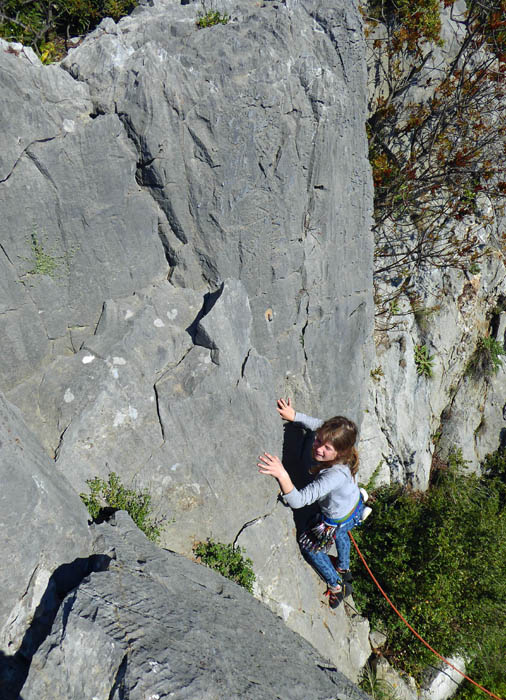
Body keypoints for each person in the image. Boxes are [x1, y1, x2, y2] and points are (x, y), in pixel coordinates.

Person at [258, 398, 365, 609]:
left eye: (327, 448)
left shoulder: (334, 475)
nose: (318, 449)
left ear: (339, 452)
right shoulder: (347, 451)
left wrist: (282, 474)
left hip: (336, 519)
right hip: (354, 508)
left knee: (309, 548)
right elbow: (319, 426)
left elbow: (299, 501)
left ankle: (337, 585)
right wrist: (294, 416)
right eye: (318, 442)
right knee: (343, 534)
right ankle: (343, 567)